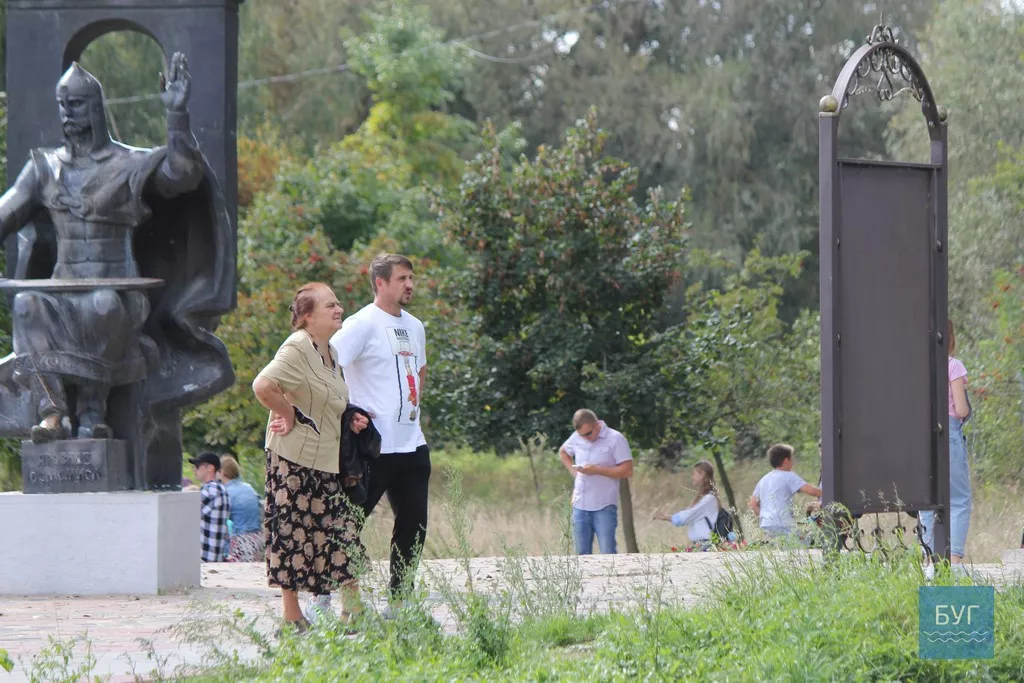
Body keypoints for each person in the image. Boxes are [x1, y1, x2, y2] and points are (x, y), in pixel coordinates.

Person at [253, 283, 370, 633]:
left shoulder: (330, 352)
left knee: (342, 532)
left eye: (338, 303)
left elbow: (326, 400)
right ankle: (292, 618)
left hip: (326, 461)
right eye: (330, 305)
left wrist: (350, 416)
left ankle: (353, 612)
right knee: (291, 535)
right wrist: (287, 413)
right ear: (307, 317)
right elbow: (263, 386)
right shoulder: (297, 347)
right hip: (292, 461)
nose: (339, 308)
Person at [330, 254, 429, 608]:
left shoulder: (416, 326)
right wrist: (348, 409)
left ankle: (400, 603)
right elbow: (327, 365)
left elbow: (421, 369)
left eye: (411, 277)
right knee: (348, 523)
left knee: (413, 527)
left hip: (412, 444)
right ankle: (325, 597)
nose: (409, 284)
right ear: (380, 283)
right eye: (402, 278)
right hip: (374, 445)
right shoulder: (361, 324)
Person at [919, 318, 972, 565]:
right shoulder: (953, 366)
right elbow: (961, 409)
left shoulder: (919, 367)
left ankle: (929, 560)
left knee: (927, 500)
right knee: (959, 500)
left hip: (922, 438)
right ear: (950, 338)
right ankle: (954, 560)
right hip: (948, 434)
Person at [558, 409, 634, 555]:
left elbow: (628, 471)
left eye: (588, 434)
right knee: (581, 555)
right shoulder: (577, 437)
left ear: (597, 424)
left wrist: (597, 470)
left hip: (604, 505)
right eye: (581, 435)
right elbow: (563, 452)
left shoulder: (615, 438)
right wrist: (575, 473)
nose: (585, 438)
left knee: (608, 553)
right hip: (579, 504)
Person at [749, 444, 822, 539]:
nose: (794, 462)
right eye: (792, 459)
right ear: (786, 460)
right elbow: (813, 491)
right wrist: (833, 491)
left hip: (767, 525)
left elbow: (753, 504)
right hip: (783, 524)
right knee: (805, 543)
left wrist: (767, 517)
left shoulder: (764, 479)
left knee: (779, 546)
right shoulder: (789, 476)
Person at [654, 460, 720, 550]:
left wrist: (667, 517)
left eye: (694, 474)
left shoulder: (709, 499)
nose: (692, 477)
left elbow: (688, 515)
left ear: (702, 474)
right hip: (700, 544)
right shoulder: (706, 497)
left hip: (705, 544)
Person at [219, 455, 265, 563]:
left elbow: (221, 520)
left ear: (222, 472)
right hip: (258, 539)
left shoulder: (226, 492)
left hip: (241, 541)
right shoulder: (248, 487)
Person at [189, 452, 231, 563]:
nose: (194, 469)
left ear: (210, 468)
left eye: (198, 466)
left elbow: (186, 515)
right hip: (214, 555)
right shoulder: (221, 488)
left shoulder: (211, 490)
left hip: (205, 556)